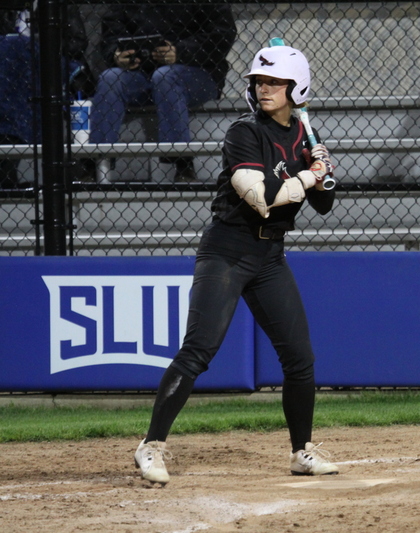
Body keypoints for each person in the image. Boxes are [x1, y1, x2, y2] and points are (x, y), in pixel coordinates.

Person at [133, 43, 338, 484]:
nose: (264, 89)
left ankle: (301, 451)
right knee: (198, 351)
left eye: (274, 83)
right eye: (259, 82)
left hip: (269, 257)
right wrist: (307, 175)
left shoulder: (304, 135)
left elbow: (325, 205)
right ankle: (151, 446)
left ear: (294, 87)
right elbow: (263, 199)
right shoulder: (243, 133)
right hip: (227, 250)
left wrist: (322, 169)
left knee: (300, 358)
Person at [86, 5, 236, 183]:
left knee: (165, 76)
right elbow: (112, 32)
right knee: (110, 78)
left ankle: (183, 164)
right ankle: (93, 163)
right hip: (141, 73)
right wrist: (117, 55)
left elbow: (223, 34)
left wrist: (180, 52)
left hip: (196, 72)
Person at [0, 5, 92, 187]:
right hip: (9, 74)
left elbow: (76, 43)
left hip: (48, 66)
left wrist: (34, 47)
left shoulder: (58, 6)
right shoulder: (5, 7)